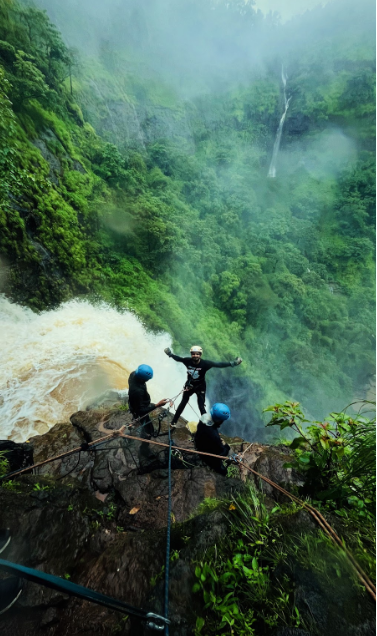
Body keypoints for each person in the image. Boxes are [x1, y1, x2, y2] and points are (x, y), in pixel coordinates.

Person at [164, 345, 242, 425]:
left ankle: (206, 426)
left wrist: (233, 363)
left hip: (200, 387)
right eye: (193, 354)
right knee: (183, 403)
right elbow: (178, 359)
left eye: (197, 354)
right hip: (189, 385)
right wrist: (170, 354)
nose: (195, 356)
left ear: (200, 355)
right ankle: (174, 422)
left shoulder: (205, 364)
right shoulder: (187, 361)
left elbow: (218, 364)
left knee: (201, 406)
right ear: (191, 354)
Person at [128, 364, 169, 437]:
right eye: (147, 379)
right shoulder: (137, 391)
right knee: (147, 423)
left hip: (135, 402)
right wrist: (157, 405)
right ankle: (149, 434)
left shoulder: (133, 374)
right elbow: (140, 410)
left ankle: (135, 419)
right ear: (142, 379)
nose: (148, 380)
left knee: (136, 414)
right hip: (138, 407)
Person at [194, 403, 232, 475]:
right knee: (223, 472)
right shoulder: (214, 434)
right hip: (205, 454)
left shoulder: (204, 417)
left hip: (198, 441)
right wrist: (227, 447)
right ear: (219, 420)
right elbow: (222, 454)